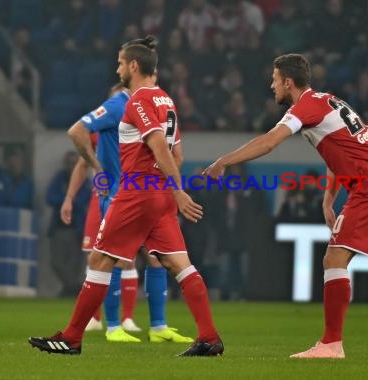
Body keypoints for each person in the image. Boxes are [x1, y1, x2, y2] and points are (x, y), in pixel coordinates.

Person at [204, 53, 368, 359]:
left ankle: (331, 344)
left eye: (274, 79)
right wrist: (329, 197)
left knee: (334, 258)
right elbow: (341, 150)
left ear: (288, 82)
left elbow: (269, 142)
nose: (271, 85)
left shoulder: (304, 107)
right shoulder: (328, 101)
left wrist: (223, 161)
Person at [29, 35, 223, 356]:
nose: (117, 67)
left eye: (120, 62)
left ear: (133, 65)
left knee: (100, 257)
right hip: (157, 194)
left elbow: (158, 144)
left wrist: (177, 190)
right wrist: (170, 188)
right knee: (179, 264)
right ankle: (209, 336)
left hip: (137, 192)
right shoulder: (167, 101)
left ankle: (72, 337)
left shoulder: (137, 100)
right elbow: (178, 155)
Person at [61, 79, 193, 344]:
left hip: (147, 194)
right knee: (117, 259)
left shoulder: (146, 110)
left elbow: (171, 152)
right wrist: (93, 174)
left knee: (156, 258)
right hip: (120, 196)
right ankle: (113, 326)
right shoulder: (113, 113)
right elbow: (78, 139)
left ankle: (157, 326)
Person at [46, 151, 91, 297]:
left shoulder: (85, 181)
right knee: (56, 262)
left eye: (74, 163)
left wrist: (66, 200)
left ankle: (69, 290)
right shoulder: (59, 178)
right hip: (59, 228)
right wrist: (67, 200)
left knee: (74, 264)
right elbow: (50, 197)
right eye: (69, 163)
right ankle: (73, 288)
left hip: (75, 228)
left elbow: (82, 201)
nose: (71, 166)